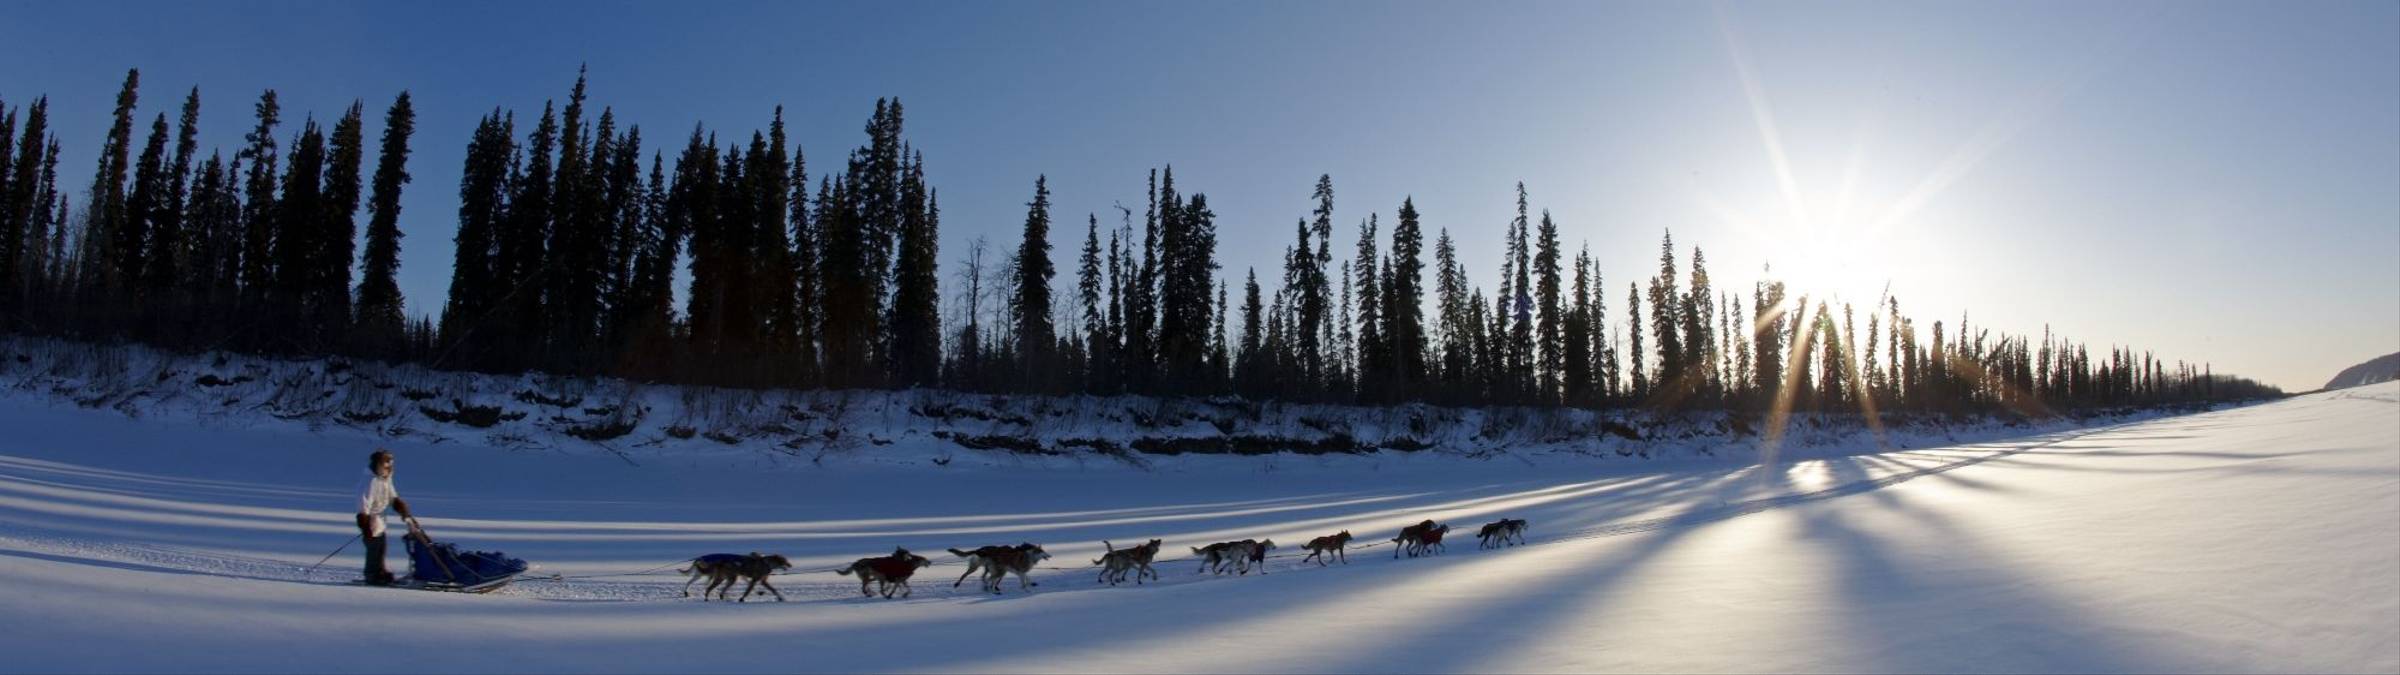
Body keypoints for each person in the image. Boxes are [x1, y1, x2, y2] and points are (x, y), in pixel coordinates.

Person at [356, 449, 419, 586]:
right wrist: (365, 526)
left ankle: (380, 572)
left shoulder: (386, 480)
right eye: (385, 464)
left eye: (390, 464)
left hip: (380, 520)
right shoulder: (370, 481)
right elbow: (363, 503)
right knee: (374, 548)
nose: (388, 467)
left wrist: (403, 511)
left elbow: (392, 498)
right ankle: (372, 575)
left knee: (381, 547)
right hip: (370, 519)